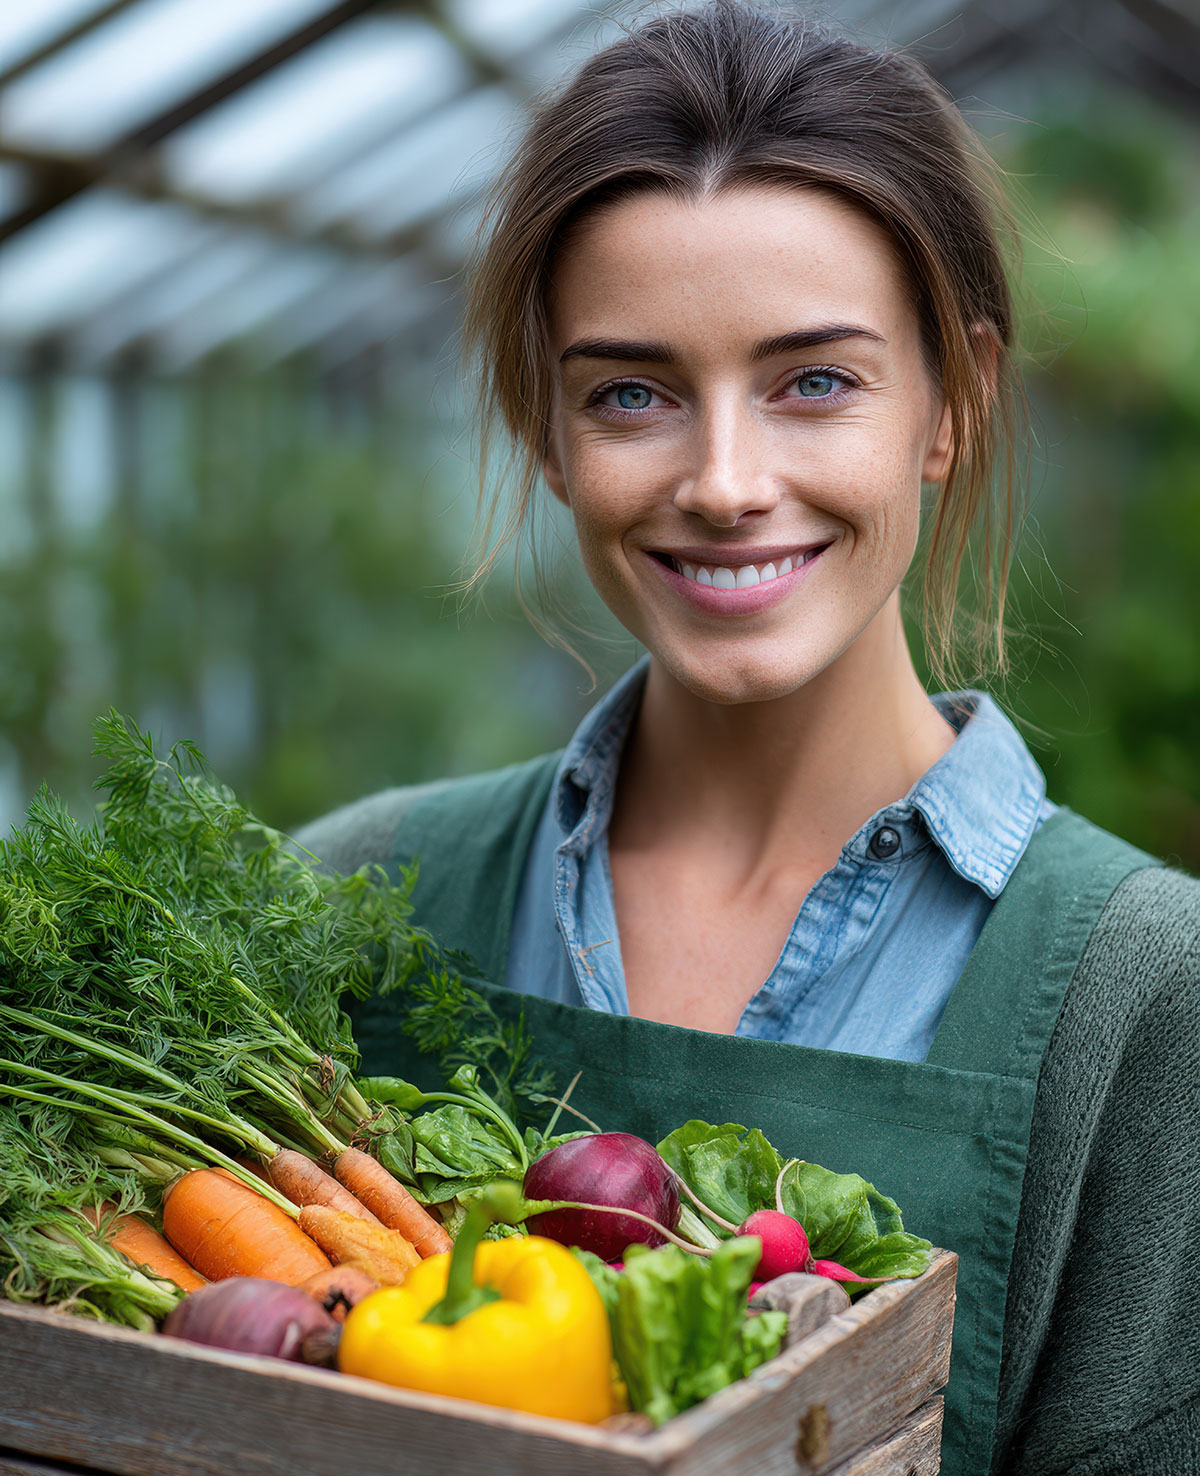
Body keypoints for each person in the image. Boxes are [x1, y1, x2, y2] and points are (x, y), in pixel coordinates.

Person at [297, 5, 1200, 1473]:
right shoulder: (349, 896)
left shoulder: (1146, 1002)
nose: (724, 483)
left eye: (815, 382)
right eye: (633, 394)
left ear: (950, 405)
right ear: (551, 431)